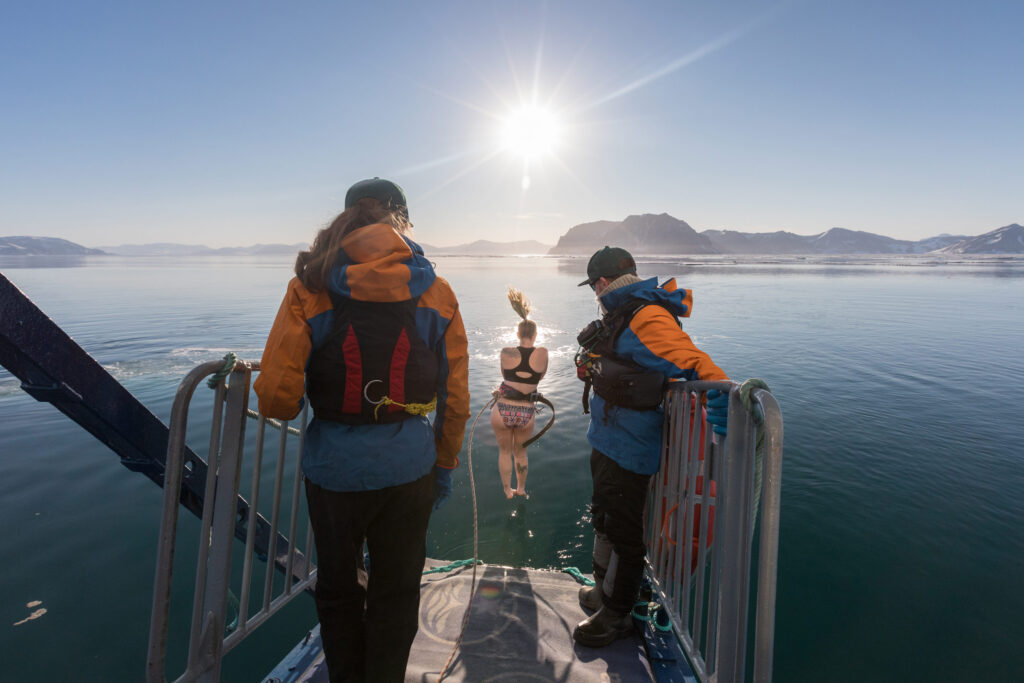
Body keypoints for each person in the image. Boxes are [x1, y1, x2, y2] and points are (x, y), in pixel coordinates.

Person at [253, 178, 470, 682]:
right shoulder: (436, 292)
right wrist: (445, 462)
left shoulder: (310, 285)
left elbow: (279, 400)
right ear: (403, 222)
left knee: (338, 589)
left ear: (348, 218)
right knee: (397, 590)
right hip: (411, 469)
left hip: (334, 473)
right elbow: (455, 396)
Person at [572, 246, 729, 648]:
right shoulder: (625, 313)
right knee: (604, 516)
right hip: (607, 439)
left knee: (625, 529)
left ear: (603, 283)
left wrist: (723, 398)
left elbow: (694, 362)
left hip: (631, 447)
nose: (594, 293)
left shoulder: (647, 316)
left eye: (594, 286)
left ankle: (618, 613)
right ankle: (603, 592)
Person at [490, 287, 548, 499]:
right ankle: (521, 489)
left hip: (502, 408)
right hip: (526, 412)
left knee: (504, 452)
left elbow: (505, 375)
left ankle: (507, 490)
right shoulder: (542, 353)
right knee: (520, 452)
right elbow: (539, 377)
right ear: (535, 335)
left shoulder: (506, 351)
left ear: (517, 334)